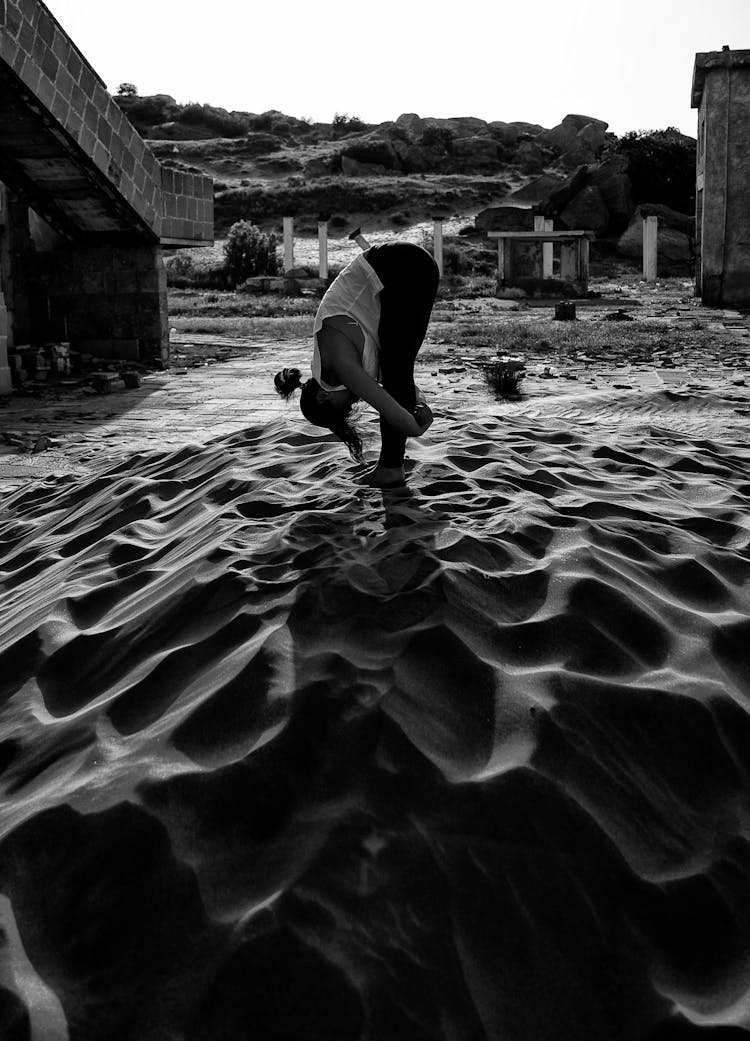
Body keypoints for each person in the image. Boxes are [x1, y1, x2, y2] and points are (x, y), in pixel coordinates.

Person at [274, 240, 439, 487]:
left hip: (396, 266)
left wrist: (415, 428)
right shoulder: (341, 366)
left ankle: (390, 469)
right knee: (397, 367)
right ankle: (390, 468)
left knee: (396, 370)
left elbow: (391, 407)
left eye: (345, 407)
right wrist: (421, 405)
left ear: (323, 397)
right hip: (416, 266)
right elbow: (405, 388)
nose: (354, 401)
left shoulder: (338, 362)